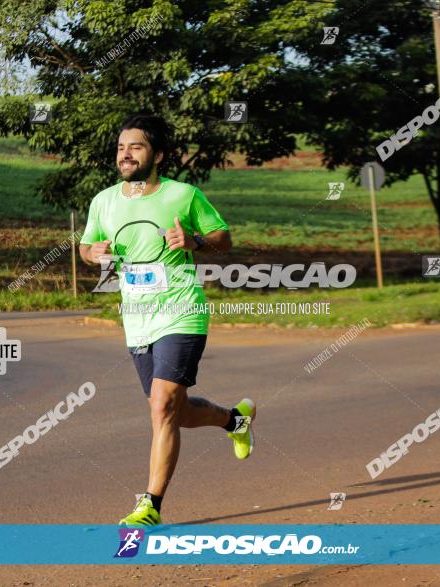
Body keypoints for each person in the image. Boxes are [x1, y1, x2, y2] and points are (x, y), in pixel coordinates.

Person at [79, 113, 255, 527]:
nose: (125, 154)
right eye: (121, 147)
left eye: (135, 147)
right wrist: (95, 253)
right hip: (137, 319)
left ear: (157, 155)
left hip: (181, 312)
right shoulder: (103, 201)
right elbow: (86, 247)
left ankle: (150, 506)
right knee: (173, 412)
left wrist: (194, 241)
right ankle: (235, 419)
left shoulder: (183, 195)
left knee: (161, 407)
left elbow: (224, 239)